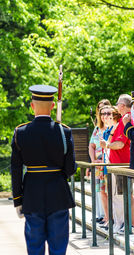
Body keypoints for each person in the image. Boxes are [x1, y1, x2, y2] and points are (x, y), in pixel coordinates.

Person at [11, 85, 76, 255]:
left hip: (32, 195)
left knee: (35, 246)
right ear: (53, 106)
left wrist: (18, 199)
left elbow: (16, 169)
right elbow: (70, 169)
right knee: (58, 246)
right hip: (58, 195)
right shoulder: (64, 132)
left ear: (32, 106)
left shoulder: (20, 132)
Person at [99, 94, 134, 232]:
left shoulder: (127, 120)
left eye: (117, 104)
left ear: (122, 105)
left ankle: (125, 224)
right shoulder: (122, 121)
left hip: (121, 165)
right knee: (116, 196)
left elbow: (120, 144)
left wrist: (107, 145)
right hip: (116, 165)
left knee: (121, 196)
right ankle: (120, 223)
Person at [89, 104, 110, 223]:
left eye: (107, 113)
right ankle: (106, 217)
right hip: (98, 167)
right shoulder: (97, 129)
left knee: (109, 191)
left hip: (107, 165)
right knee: (101, 191)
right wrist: (93, 160)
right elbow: (91, 146)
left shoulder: (112, 128)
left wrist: (103, 161)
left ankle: (112, 217)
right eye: (102, 114)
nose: (104, 116)